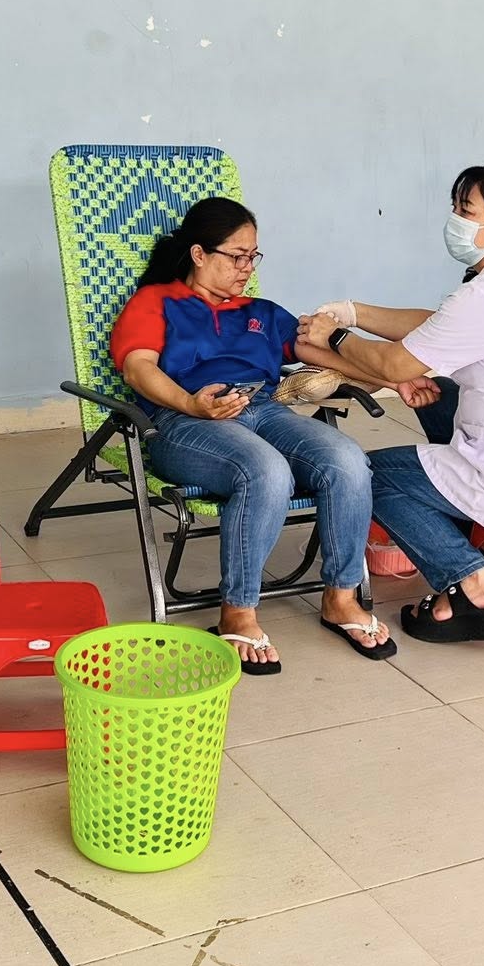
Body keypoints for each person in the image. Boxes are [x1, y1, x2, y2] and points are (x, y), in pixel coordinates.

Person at [298, 164, 484, 642]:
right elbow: (438, 324)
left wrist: (334, 337)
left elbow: (394, 365)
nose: (455, 220)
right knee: (440, 397)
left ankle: (471, 580)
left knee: (365, 476)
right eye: (455, 207)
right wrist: (354, 313)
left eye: (466, 211)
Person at [110, 197, 395, 673]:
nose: (247, 268)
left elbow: (323, 355)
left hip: (262, 408)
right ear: (199, 254)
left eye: (253, 256)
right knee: (265, 471)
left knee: (346, 460)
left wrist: (396, 380)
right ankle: (238, 610)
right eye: (237, 256)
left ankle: (341, 597)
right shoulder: (156, 302)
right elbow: (139, 368)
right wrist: (190, 403)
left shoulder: (260, 312)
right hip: (183, 420)